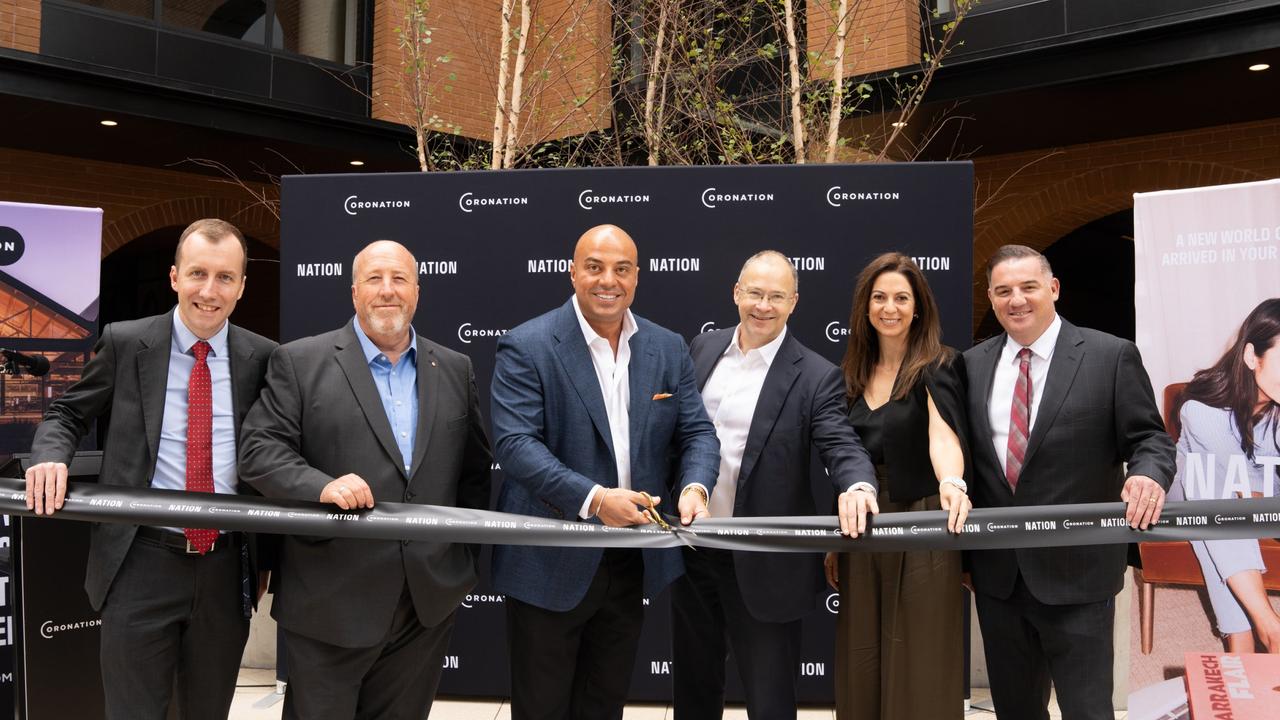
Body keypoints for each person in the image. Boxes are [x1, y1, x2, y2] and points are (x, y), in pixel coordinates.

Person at [24, 218, 276, 720]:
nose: (210, 290)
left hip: (226, 569)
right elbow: (68, 412)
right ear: (174, 277)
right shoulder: (125, 342)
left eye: (225, 277)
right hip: (140, 561)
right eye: (198, 273)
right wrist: (50, 455)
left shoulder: (264, 358)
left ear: (243, 286)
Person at [238, 240, 492, 720]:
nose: (387, 291)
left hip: (424, 606)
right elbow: (258, 452)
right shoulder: (300, 362)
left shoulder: (454, 368)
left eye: (399, 279)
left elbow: (473, 474)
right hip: (329, 603)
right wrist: (320, 485)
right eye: (374, 279)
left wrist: (457, 566)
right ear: (354, 291)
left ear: (417, 290)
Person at [489, 223, 719, 720]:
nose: (607, 280)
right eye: (594, 267)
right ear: (573, 273)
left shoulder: (666, 346)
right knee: (542, 709)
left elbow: (697, 433)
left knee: (604, 707)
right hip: (549, 562)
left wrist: (696, 486)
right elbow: (517, 446)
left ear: (637, 277)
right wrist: (595, 499)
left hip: (630, 561)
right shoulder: (527, 344)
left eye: (620, 269)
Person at [963, 244, 1175, 720]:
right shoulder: (970, 366)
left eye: (1028, 287)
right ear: (992, 299)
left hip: (1080, 576)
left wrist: (1147, 475)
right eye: (1003, 291)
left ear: (1054, 289)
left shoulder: (1109, 356)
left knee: (1087, 712)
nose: (1016, 299)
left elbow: (1150, 440)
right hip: (999, 579)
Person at [671, 250, 877, 720]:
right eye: (755, 293)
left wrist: (859, 486)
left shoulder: (816, 376)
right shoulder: (700, 349)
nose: (763, 305)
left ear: (794, 302)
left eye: (776, 296)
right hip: (693, 549)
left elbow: (840, 444)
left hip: (765, 562)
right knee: (693, 689)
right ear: (736, 293)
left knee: (770, 702)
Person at [820, 252, 971, 720]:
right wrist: (833, 540)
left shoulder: (938, 364)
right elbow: (844, 457)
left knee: (920, 659)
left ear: (918, 307)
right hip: (861, 526)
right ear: (865, 307)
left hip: (923, 518)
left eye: (902, 298)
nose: (890, 307)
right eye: (880, 297)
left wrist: (952, 481)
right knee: (860, 654)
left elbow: (941, 433)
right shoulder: (849, 375)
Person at [1168, 297, 1280, 653]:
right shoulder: (1201, 410)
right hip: (1181, 501)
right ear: (1251, 357)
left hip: (1229, 511)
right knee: (1209, 484)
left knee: (1215, 509)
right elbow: (1246, 494)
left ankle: (1243, 640)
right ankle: (1268, 625)